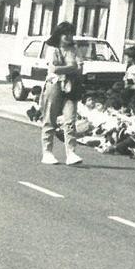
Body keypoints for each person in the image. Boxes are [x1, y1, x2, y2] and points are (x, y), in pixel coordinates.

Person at [40, 21, 83, 166]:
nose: (69, 37)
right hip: (54, 85)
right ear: (59, 34)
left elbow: (79, 68)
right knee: (50, 118)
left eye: (71, 34)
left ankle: (71, 152)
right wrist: (70, 67)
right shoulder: (52, 48)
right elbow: (54, 69)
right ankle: (47, 152)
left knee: (70, 120)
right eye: (66, 34)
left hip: (71, 86)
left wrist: (67, 68)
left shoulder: (75, 49)